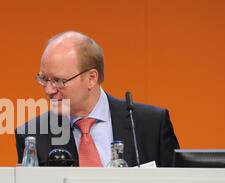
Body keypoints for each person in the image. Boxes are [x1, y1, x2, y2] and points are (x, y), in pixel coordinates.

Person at [15, 31, 179, 167]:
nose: (49, 90)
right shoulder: (32, 135)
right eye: (44, 79)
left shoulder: (151, 124)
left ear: (91, 78)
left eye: (59, 81)